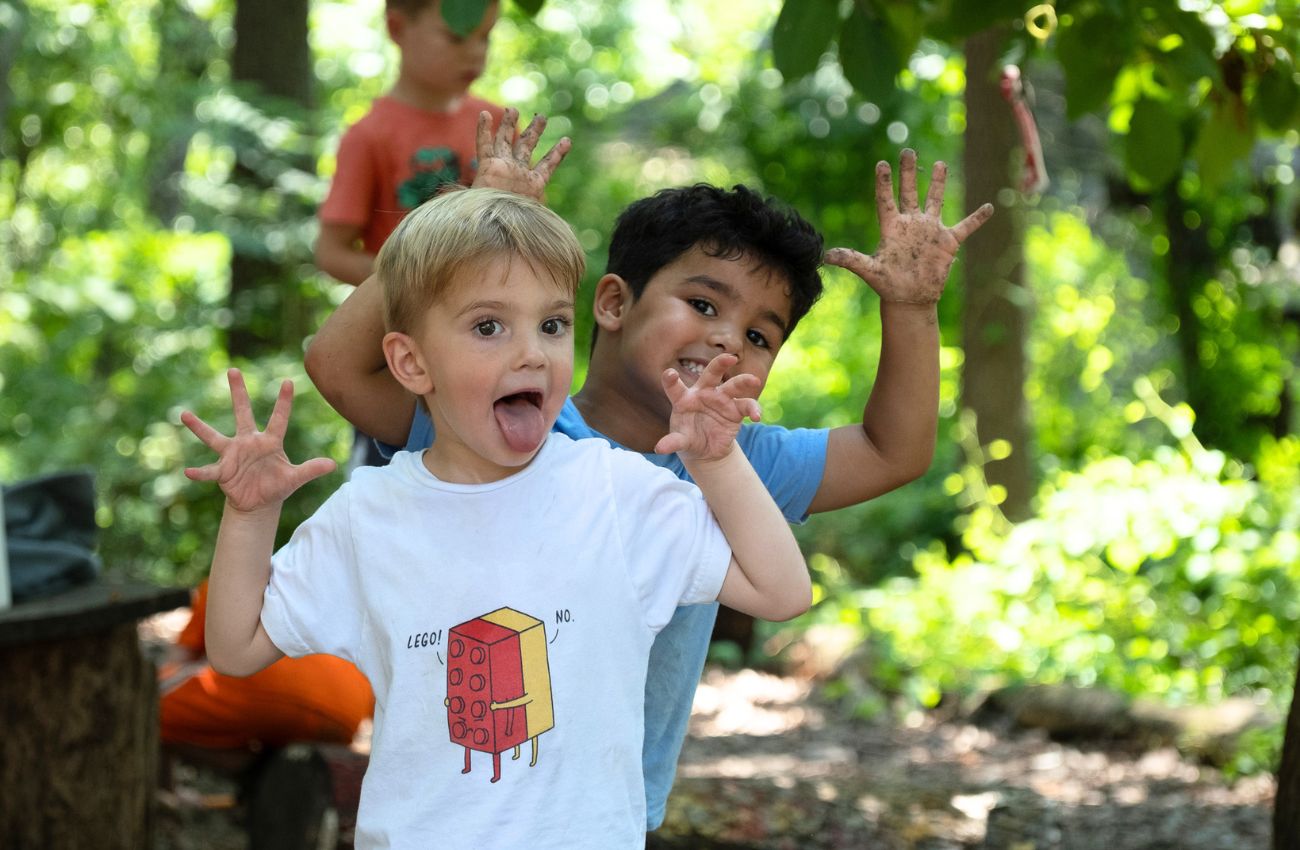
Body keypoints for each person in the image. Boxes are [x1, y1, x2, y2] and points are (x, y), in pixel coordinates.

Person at [304, 123, 994, 831]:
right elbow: (336, 365)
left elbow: (893, 451)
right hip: (458, 814)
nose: (728, 337)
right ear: (612, 303)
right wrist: (463, 226)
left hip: (607, 816)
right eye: (703, 304)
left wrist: (911, 308)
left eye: (760, 335)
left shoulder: (736, 463)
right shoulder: (491, 427)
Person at [180, 188, 812, 848]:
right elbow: (236, 648)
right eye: (489, 327)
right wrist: (249, 519)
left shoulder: (618, 495)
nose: (532, 353)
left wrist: (716, 462)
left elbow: (783, 591)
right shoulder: (368, 516)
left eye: (552, 324)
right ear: (410, 362)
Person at [314, 0, 507, 287]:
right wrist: (412, 286)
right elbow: (331, 253)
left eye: (485, 37)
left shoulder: (499, 124)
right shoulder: (369, 136)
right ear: (397, 28)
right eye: (456, 37)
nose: (476, 52)